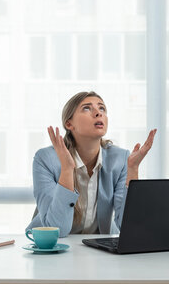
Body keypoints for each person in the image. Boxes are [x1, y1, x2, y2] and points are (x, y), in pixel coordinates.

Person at [27, 91, 157, 237]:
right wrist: (67, 170)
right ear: (69, 124)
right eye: (87, 108)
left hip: (97, 249)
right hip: (49, 247)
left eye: (102, 108)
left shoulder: (120, 159)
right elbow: (57, 230)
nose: (98, 113)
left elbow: (128, 225)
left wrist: (132, 170)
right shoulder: (46, 159)